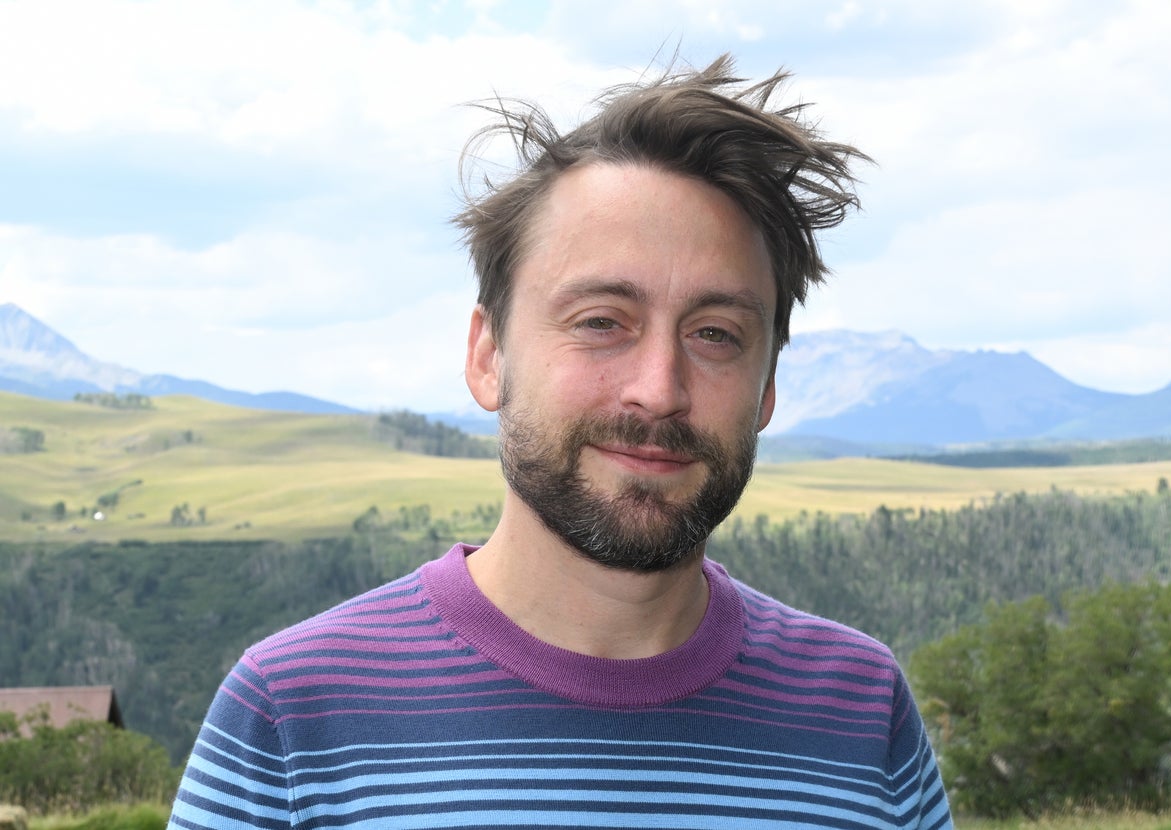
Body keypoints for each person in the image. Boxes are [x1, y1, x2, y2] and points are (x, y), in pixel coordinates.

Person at [168, 54, 954, 829]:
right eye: (602, 322)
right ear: (488, 357)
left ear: (768, 388)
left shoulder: (861, 710)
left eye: (716, 334)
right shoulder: (291, 716)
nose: (660, 387)